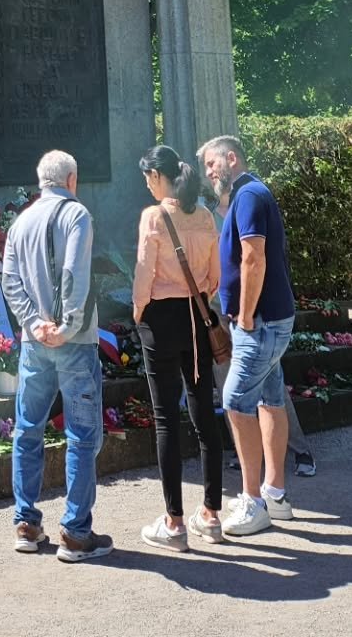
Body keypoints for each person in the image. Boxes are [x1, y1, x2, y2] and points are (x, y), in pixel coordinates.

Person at [0, 149, 113, 562]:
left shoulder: (20, 222)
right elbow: (74, 273)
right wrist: (65, 326)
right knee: (82, 437)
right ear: (71, 180)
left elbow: (10, 280)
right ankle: (76, 533)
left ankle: (26, 524)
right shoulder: (77, 214)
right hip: (75, 342)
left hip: (34, 344)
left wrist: (33, 324)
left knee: (27, 430)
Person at [198, 134, 297, 535]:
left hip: (260, 323)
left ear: (231, 159)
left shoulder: (250, 195)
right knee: (271, 400)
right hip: (269, 319)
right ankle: (275, 494)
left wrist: (247, 313)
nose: (208, 174)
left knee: (237, 402)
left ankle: (254, 502)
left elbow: (253, 256)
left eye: (211, 165)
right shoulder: (249, 194)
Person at [131, 144, 227, 550]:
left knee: (166, 417)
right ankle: (211, 514)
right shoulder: (204, 215)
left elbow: (142, 274)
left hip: (160, 318)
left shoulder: (153, 216)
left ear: (157, 177)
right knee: (204, 412)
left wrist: (138, 314)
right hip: (197, 315)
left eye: (147, 179)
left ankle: (174, 523)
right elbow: (216, 275)